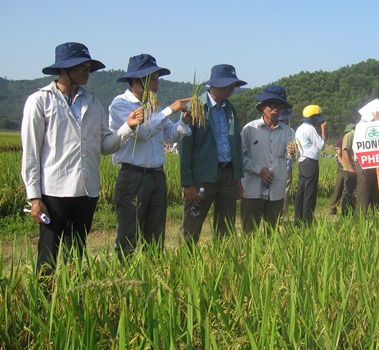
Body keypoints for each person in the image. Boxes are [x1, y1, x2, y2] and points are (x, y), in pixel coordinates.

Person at [21, 42, 141, 275]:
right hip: (54, 191)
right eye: (81, 67)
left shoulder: (93, 103)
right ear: (64, 70)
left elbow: (105, 146)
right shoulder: (40, 101)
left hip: (86, 191)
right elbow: (31, 153)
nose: (87, 71)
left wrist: (128, 126)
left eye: (88, 67)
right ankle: (44, 303)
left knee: (75, 252)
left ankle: (71, 297)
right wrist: (34, 197)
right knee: (48, 253)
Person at [109, 54, 191, 259]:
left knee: (155, 236)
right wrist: (168, 110)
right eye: (153, 79)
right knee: (129, 236)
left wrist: (184, 121)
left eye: (157, 79)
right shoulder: (121, 105)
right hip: (134, 177)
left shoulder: (154, 107)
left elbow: (171, 136)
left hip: (156, 177)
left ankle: (153, 276)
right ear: (138, 81)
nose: (157, 84)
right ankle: (123, 281)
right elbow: (143, 133)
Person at [179, 64, 246, 247]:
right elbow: (184, 146)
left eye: (233, 85)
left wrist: (237, 178)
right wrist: (188, 183)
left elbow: (236, 144)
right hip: (202, 178)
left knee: (226, 226)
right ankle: (184, 264)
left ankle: (222, 263)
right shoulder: (196, 107)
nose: (232, 89)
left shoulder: (229, 109)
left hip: (227, 175)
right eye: (228, 85)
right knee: (191, 226)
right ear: (215, 85)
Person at [240, 85, 293, 233]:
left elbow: (291, 156)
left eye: (280, 106)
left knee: (272, 231)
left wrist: (292, 152)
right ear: (263, 106)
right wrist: (259, 170)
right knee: (250, 232)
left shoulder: (287, 132)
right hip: (252, 189)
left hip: (276, 189)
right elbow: (240, 156)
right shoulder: (250, 129)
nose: (276, 109)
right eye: (272, 105)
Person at [294, 104, 327, 224]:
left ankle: (298, 219)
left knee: (301, 192)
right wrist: (323, 130)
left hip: (303, 162)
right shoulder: (310, 128)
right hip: (311, 162)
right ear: (313, 117)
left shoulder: (300, 128)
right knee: (310, 192)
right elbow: (321, 146)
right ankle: (307, 220)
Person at [278, 108, 296, 215]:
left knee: (283, 191)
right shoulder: (290, 131)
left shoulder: (290, 131)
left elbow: (292, 152)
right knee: (283, 191)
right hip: (281, 166)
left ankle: (280, 215)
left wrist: (292, 152)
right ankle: (279, 215)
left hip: (283, 166)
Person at [328, 125, 347, 215]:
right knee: (339, 187)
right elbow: (338, 156)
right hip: (342, 168)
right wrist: (345, 165)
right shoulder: (340, 141)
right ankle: (333, 207)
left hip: (352, 166)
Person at [340, 123, 357, 216]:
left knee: (355, 191)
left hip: (357, 168)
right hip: (349, 168)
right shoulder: (349, 135)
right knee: (348, 191)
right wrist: (350, 167)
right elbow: (345, 151)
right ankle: (345, 214)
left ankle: (353, 212)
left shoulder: (358, 136)